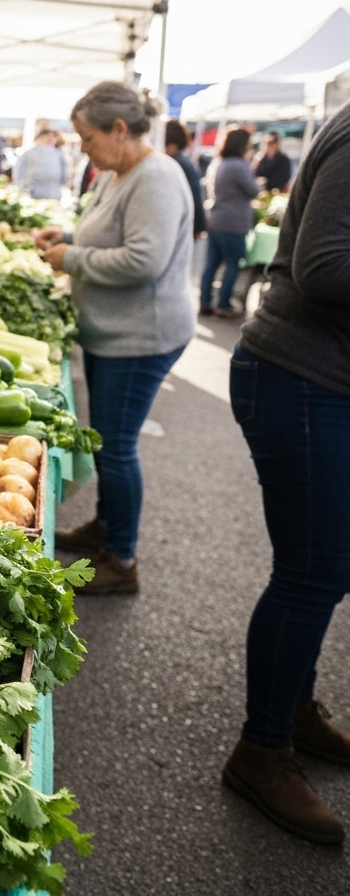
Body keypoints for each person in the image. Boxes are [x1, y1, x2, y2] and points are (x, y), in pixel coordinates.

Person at [222, 102, 350, 847]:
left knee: (325, 569)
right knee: (312, 571)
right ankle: (262, 751)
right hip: (304, 379)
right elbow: (327, 263)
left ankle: (294, 712)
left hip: (320, 382)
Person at [35, 82, 195, 594]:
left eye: (86, 137)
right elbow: (103, 234)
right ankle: (105, 528)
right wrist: (65, 239)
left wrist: (71, 259)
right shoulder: (117, 173)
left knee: (118, 447)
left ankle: (121, 560)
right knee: (105, 439)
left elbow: (143, 261)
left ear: (119, 129)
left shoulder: (156, 179)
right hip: (110, 333)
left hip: (140, 337)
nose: (81, 147)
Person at [200, 128, 258, 319]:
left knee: (212, 264)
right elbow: (253, 190)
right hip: (232, 222)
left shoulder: (219, 163)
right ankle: (223, 304)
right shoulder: (238, 165)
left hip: (216, 219)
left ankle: (205, 302)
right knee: (233, 263)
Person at [164, 120, 206, 240]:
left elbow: (194, 196)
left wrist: (197, 226)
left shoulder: (177, 163)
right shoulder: (185, 161)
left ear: (172, 146)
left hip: (184, 225)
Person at [14, 129, 70, 200]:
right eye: (48, 137)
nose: (51, 139)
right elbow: (19, 173)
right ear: (40, 137)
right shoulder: (28, 154)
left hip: (54, 195)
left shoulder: (59, 154)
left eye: (53, 137)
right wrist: (23, 188)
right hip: (32, 194)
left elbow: (65, 175)